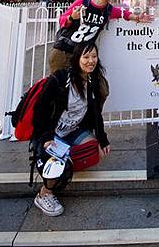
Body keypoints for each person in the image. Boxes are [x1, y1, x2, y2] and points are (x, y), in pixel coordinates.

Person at [32, 43, 110, 216]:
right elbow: (40, 110)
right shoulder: (60, 79)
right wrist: (45, 137)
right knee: (58, 166)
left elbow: (96, 113)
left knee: (92, 149)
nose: (91, 61)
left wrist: (102, 139)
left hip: (72, 131)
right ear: (76, 59)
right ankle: (45, 193)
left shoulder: (93, 80)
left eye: (94, 57)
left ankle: (65, 160)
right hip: (51, 134)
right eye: (86, 57)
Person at [49, 0, 153, 73]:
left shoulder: (109, 10)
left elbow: (124, 14)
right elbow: (62, 20)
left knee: (93, 89)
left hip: (84, 57)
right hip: (64, 51)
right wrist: (72, 17)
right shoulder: (83, 2)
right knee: (59, 88)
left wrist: (138, 18)